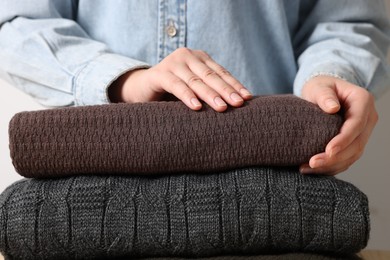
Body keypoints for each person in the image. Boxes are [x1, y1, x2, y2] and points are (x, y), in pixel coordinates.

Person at [0, 0, 389, 176]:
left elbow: (351, 20)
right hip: (92, 166)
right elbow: (15, 19)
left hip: (284, 173)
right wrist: (124, 80)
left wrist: (333, 75)